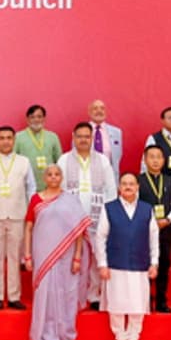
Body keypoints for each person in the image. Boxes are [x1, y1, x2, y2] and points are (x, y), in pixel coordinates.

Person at [25, 165, 91, 340]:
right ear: (44, 178)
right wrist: (28, 255)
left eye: (57, 174)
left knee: (65, 294)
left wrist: (78, 256)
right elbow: (29, 228)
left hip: (66, 255)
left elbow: (78, 230)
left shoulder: (70, 200)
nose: (53, 177)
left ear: (62, 177)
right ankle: (40, 336)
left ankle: (62, 337)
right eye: (50, 175)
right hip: (42, 254)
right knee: (44, 294)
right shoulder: (36, 199)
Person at [95, 174, 157, 340]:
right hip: (116, 263)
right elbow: (100, 237)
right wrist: (102, 264)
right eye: (124, 184)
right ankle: (120, 337)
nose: (128, 187)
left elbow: (154, 237)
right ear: (119, 187)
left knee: (138, 303)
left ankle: (134, 337)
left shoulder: (147, 209)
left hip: (140, 263)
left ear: (138, 187)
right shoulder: (109, 209)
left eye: (131, 184)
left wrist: (154, 262)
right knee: (117, 302)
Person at [58, 122, 116, 308]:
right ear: (74, 138)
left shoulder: (102, 160)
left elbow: (110, 190)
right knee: (75, 260)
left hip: (97, 218)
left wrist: (108, 217)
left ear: (92, 139)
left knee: (96, 257)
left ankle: (94, 296)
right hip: (71, 220)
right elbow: (59, 190)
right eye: (80, 136)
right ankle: (75, 297)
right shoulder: (64, 160)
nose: (83, 140)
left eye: (87, 136)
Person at [0, 127, 36, 309]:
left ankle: (13, 296)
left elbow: (31, 188)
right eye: (2, 138)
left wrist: (29, 213)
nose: (5, 141)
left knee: (14, 256)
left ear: (14, 140)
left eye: (9, 138)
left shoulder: (24, 162)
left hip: (18, 215)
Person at [139, 145, 171, 313]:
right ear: (145, 159)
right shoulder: (138, 180)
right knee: (144, 265)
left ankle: (162, 301)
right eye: (151, 157)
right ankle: (145, 300)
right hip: (143, 229)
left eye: (158, 157)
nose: (155, 160)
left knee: (164, 264)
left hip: (165, 228)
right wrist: (148, 221)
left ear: (164, 160)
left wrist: (168, 219)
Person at [15, 104, 63, 194]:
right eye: (32, 117)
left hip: (49, 185)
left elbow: (59, 162)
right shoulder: (18, 137)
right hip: (26, 185)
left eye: (39, 116)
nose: (36, 120)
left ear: (44, 118)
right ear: (27, 120)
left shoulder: (53, 137)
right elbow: (14, 161)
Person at [87, 99, 123, 174]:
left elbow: (117, 156)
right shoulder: (80, 131)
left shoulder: (116, 132)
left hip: (109, 175)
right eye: (95, 108)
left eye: (102, 108)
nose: (99, 111)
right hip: (88, 176)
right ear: (89, 112)